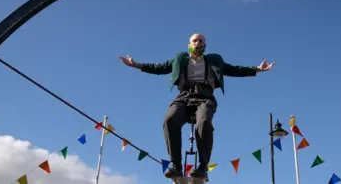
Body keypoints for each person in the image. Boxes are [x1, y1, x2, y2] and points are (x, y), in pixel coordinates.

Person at [118, 33, 275, 179]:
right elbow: (160, 67)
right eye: (195, 41)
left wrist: (257, 69)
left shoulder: (214, 60)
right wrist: (136, 65)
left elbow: (233, 69)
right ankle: (176, 166)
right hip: (183, 98)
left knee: (204, 123)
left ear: (205, 45)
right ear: (189, 44)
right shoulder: (179, 59)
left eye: (201, 41)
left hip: (205, 98)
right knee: (169, 120)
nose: (198, 43)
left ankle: (203, 167)